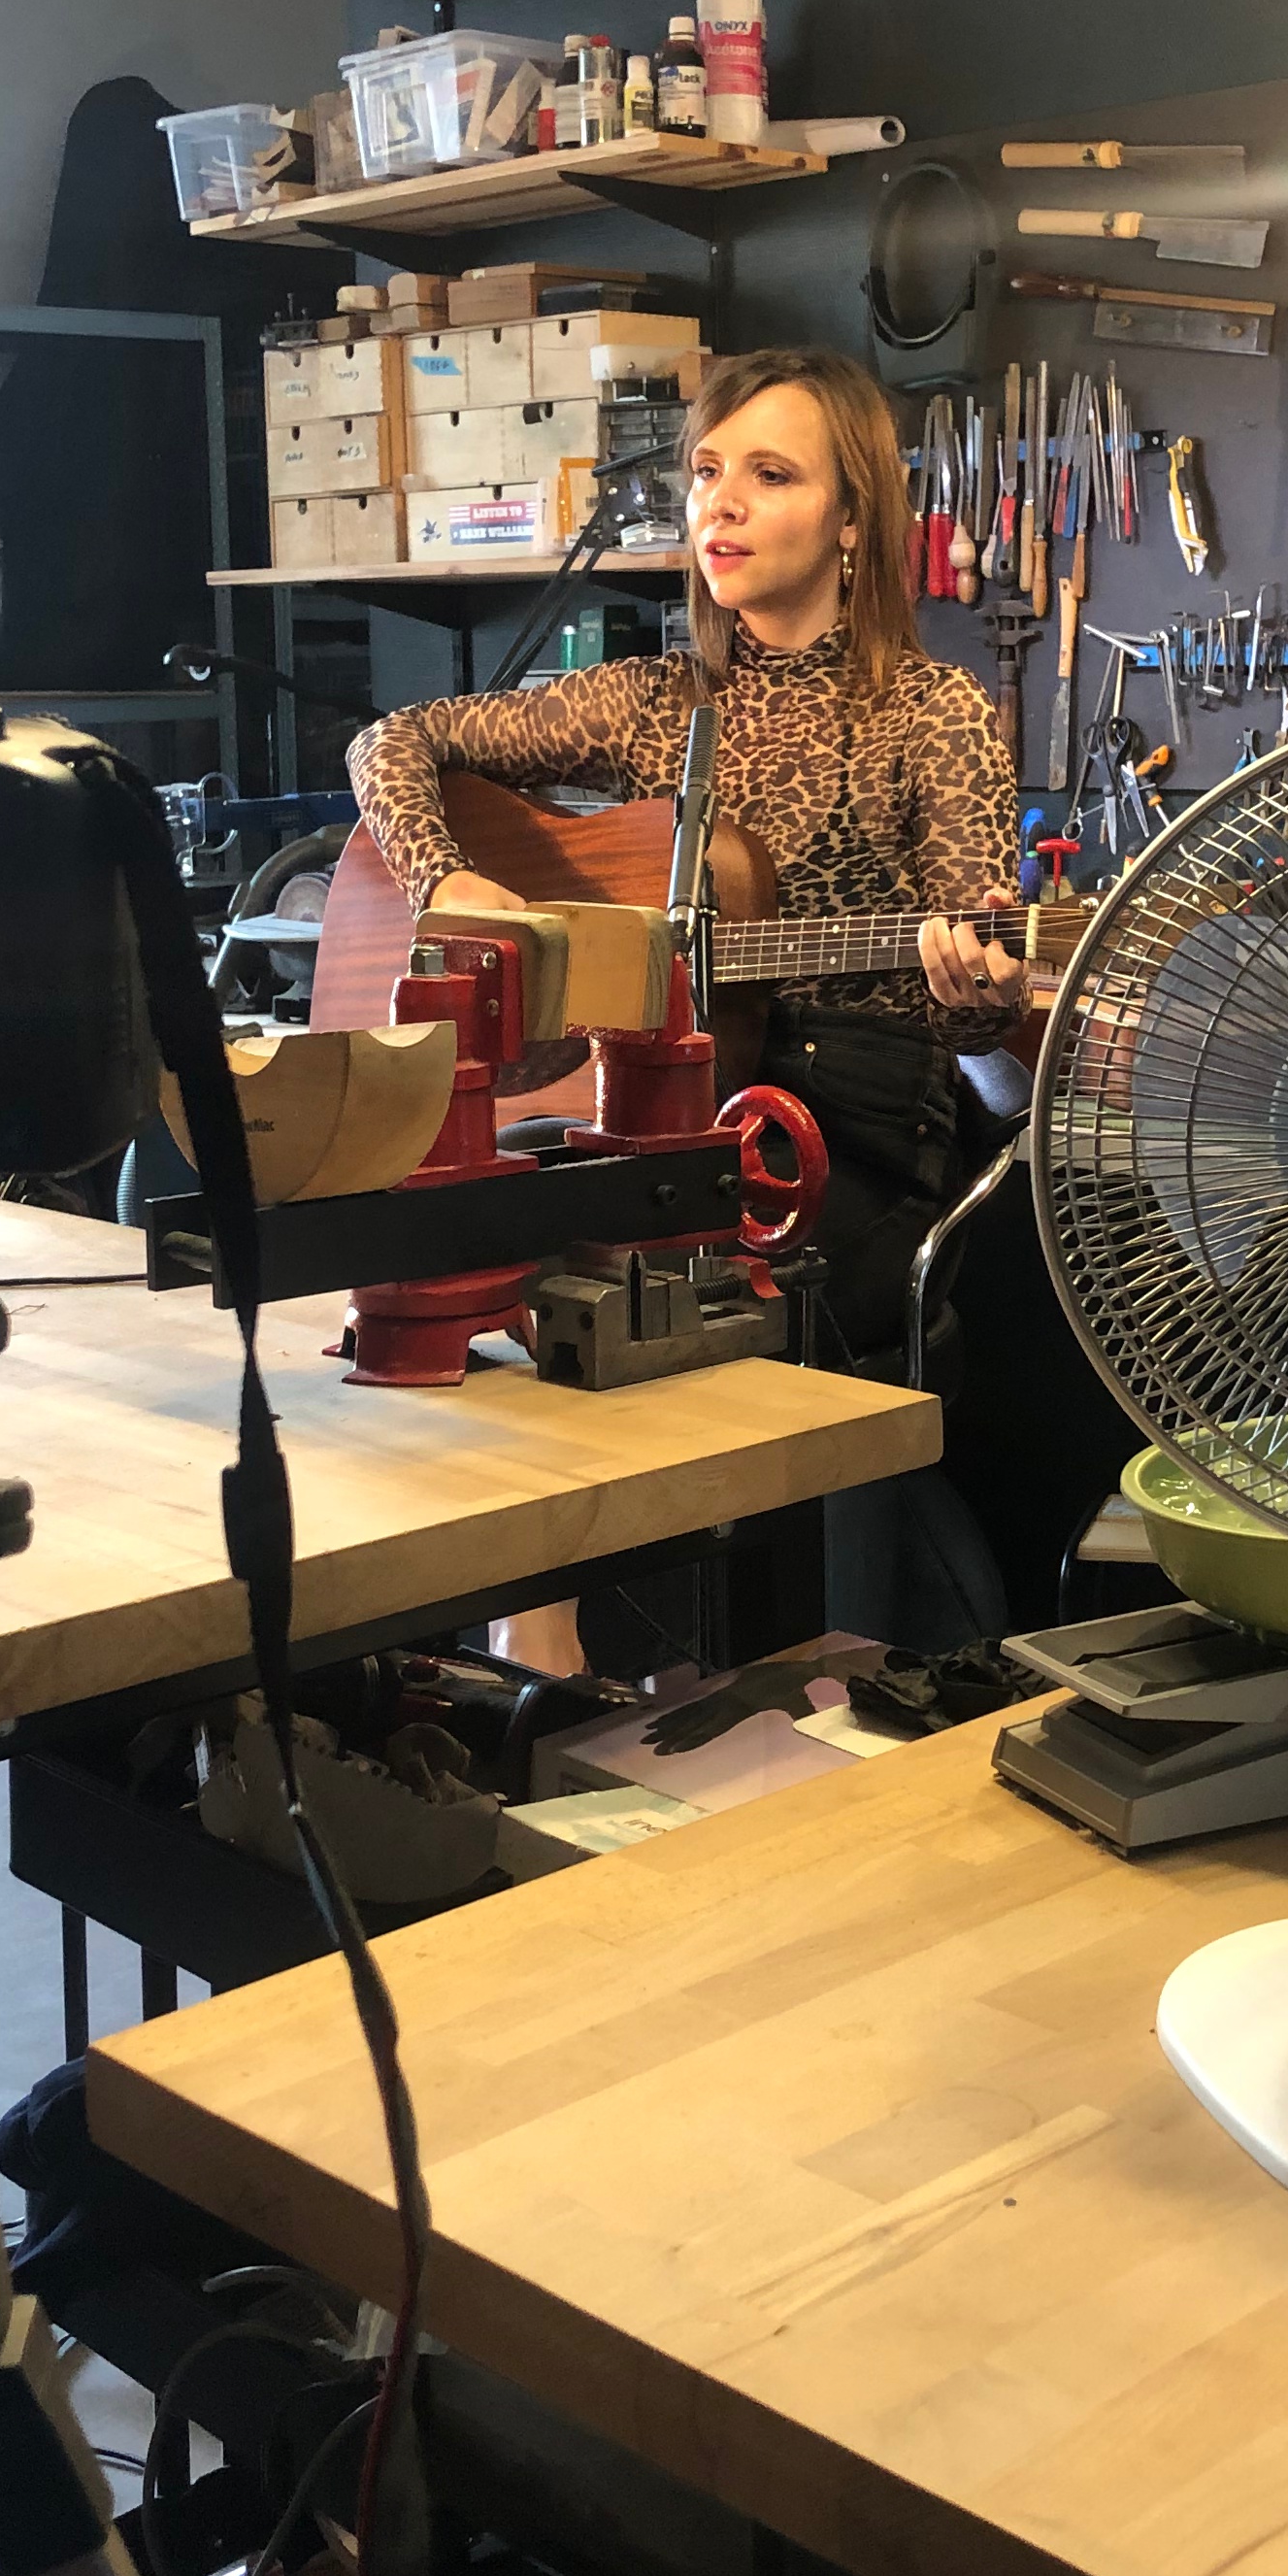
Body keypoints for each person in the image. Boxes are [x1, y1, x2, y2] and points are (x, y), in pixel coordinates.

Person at [347, 345, 1026, 1649]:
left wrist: (979, 990)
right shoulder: (656, 705)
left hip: (846, 1139)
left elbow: (967, 1008)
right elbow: (391, 742)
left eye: (770, 475)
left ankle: (675, 1653)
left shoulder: (933, 712)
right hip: (666, 1125)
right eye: (709, 471)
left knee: (631, 1293)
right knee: (470, 1258)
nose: (720, 503)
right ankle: (538, 1654)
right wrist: (453, 888)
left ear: (852, 518)